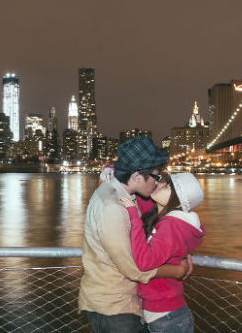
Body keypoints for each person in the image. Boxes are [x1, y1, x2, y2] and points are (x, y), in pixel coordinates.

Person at [79, 136, 191, 333]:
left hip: (119, 302)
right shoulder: (113, 207)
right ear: (137, 176)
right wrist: (178, 271)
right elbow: (133, 269)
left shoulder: (119, 194)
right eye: (156, 176)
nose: (157, 183)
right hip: (113, 307)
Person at [126, 172, 206, 333]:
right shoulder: (162, 215)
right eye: (163, 181)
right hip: (163, 312)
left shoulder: (173, 226)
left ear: (178, 199)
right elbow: (142, 197)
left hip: (167, 317)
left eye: (167, 186)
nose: (159, 184)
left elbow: (144, 263)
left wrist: (132, 215)